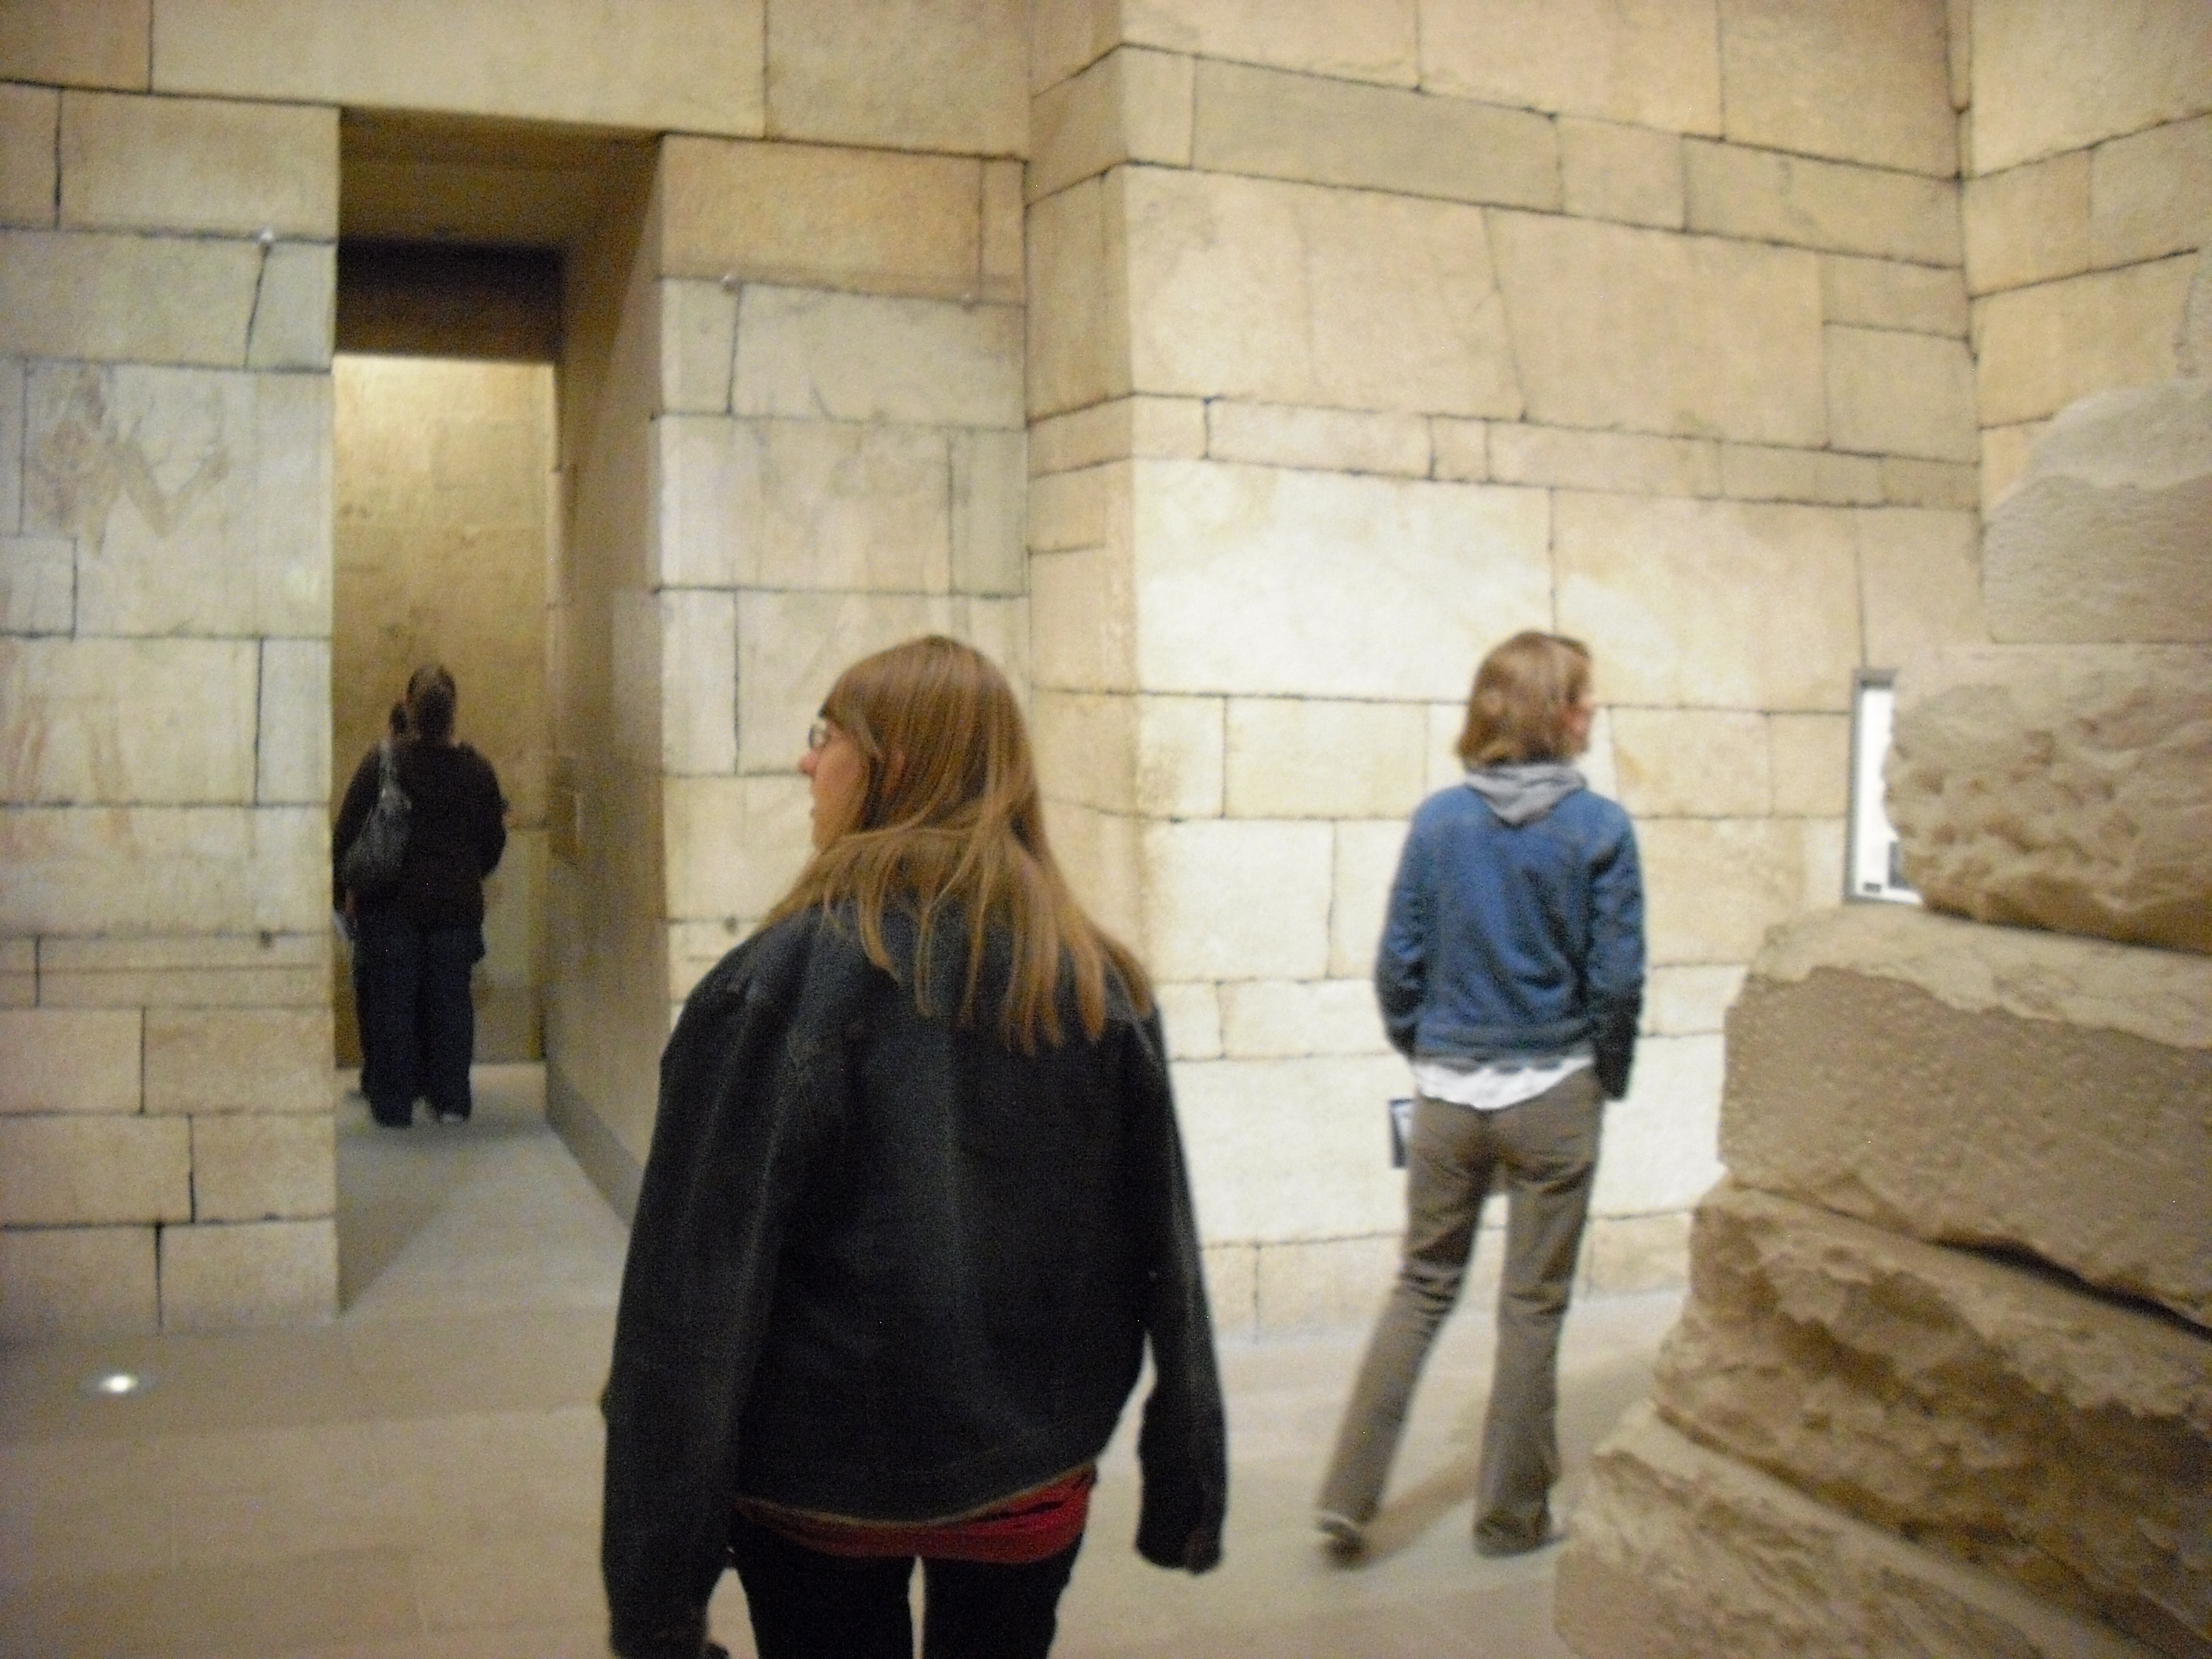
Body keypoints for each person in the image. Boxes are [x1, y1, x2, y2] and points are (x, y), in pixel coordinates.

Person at [600, 636, 1226, 1659]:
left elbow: (689, 1310)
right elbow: (1168, 1253)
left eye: (827, 736)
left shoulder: (777, 985)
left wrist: (656, 1600)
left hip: (822, 1481)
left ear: (887, 766)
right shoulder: (1097, 983)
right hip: (1033, 1462)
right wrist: (1188, 1482)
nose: (807, 762)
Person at [1315, 631, 1644, 1560]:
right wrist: (1606, 1077)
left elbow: (1398, 965)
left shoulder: (1439, 823)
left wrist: (1430, 1052)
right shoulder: (1600, 830)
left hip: (1449, 1098)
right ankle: (1510, 1518)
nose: (1591, 711)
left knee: (1421, 1287)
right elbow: (1617, 981)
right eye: (1580, 697)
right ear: (1551, 713)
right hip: (1555, 1090)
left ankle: (1348, 1494)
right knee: (1532, 1307)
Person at [332, 665, 506, 1128]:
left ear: (408, 707)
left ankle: (394, 1104)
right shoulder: (477, 770)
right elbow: (492, 845)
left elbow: (347, 834)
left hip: (390, 908)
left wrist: (343, 895)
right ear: (454, 711)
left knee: (392, 1006)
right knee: (451, 1005)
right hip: (454, 910)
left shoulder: (383, 762)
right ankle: (450, 1100)